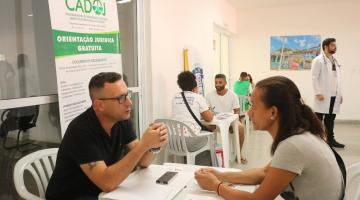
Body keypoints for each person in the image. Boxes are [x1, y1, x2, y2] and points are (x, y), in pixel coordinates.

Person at [195, 76, 344, 200]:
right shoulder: (300, 135)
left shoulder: (293, 145)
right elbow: (264, 173)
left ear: (273, 112)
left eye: (253, 106)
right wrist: (219, 175)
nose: (248, 113)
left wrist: (216, 186)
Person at [46, 72, 168, 200]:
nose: (129, 103)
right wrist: (144, 144)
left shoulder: (121, 120)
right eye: (120, 98)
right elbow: (107, 183)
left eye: (127, 95)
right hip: (73, 195)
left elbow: (143, 162)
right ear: (99, 105)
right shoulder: (80, 131)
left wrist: (153, 146)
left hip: (102, 192)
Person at [206, 74, 247, 164]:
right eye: (216, 82)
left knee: (241, 128)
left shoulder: (233, 95)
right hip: (215, 122)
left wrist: (234, 123)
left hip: (230, 122)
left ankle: (239, 154)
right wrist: (210, 123)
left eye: (220, 82)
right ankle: (210, 155)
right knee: (202, 126)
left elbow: (237, 111)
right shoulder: (209, 95)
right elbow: (207, 111)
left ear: (225, 83)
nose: (217, 84)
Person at [311, 38, 345, 148]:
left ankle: (330, 139)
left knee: (330, 119)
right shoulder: (318, 60)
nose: (335, 47)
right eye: (332, 45)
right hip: (323, 95)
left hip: (334, 95)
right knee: (318, 119)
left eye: (335, 45)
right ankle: (314, 140)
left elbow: (337, 79)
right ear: (325, 46)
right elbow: (314, 77)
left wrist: (340, 94)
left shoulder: (335, 61)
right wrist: (318, 93)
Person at [172, 71, 214, 153]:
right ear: (195, 83)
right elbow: (209, 118)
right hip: (190, 142)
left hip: (174, 140)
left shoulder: (175, 97)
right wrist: (210, 110)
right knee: (209, 137)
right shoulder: (198, 97)